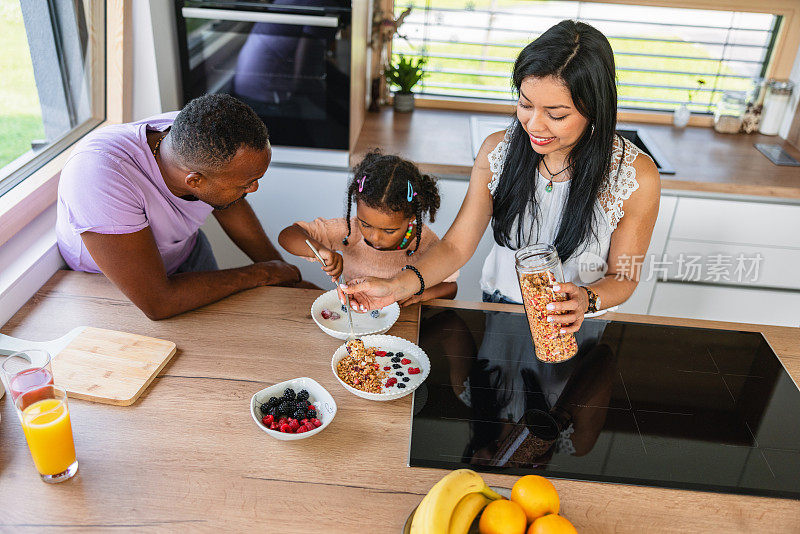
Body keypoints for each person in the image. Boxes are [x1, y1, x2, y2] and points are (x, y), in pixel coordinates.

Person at [342, 20, 660, 334]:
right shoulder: (498, 152)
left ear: (596, 107)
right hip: (499, 309)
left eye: (556, 114)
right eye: (525, 104)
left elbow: (624, 276)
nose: (534, 125)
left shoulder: (634, 176)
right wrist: (396, 286)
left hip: (578, 325)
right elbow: (455, 246)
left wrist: (586, 299)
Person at [56, 94, 306, 320]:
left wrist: (284, 274)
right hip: (113, 288)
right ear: (194, 181)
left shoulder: (199, 137)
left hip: (186, 252)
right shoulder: (98, 177)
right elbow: (157, 301)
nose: (254, 189)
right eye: (247, 183)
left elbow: (229, 202)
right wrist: (264, 273)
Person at [278, 150, 458, 306]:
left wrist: (420, 294)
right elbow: (287, 235)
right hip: (357, 317)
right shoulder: (349, 231)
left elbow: (450, 287)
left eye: (389, 231)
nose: (375, 237)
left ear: (411, 218)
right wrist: (319, 250)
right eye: (366, 224)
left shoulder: (424, 242)